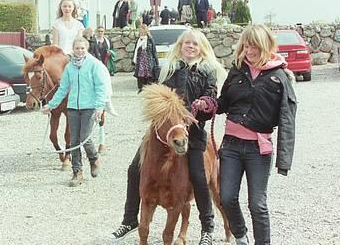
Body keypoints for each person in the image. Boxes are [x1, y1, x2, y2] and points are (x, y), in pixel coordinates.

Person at [110, 29, 227, 244]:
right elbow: (156, 94)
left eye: (195, 44)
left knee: (200, 177)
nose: (190, 46)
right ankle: (129, 219)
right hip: (163, 129)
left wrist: (204, 104)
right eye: (186, 43)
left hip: (192, 131)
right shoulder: (169, 69)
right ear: (180, 46)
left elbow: (212, 100)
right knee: (134, 169)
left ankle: (207, 227)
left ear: (202, 48)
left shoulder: (207, 72)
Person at [209, 24, 297, 245]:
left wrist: (284, 159)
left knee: (257, 204)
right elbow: (223, 103)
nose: (249, 51)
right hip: (230, 147)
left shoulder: (279, 76)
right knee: (226, 198)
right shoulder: (237, 69)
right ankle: (240, 236)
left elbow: (287, 119)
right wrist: (207, 105)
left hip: (259, 150)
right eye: (246, 46)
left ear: (265, 46)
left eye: (254, 47)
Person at [42, 37, 109, 187]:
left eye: (82, 48)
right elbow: (63, 89)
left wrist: (99, 107)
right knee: (74, 141)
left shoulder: (94, 65)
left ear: (86, 49)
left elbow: (100, 87)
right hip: (73, 108)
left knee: (85, 138)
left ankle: (94, 158)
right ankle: (77, 172)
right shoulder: (69, 68)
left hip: (89, 107)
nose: (79, 51)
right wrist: (51, 105)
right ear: (73, 49)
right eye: (77, 48)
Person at [132, 24, 159, 92]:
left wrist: (156, 62)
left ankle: (148, 88)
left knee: (149, 74)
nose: (140, 31)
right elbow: (135, 50)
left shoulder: (150, 39)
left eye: (142, 30)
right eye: (140, 30)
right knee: (140, 74)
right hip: (140, 60)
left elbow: (154, 51)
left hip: (148, 60)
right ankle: (142, 88)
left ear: (145, 30)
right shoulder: (138, 40)